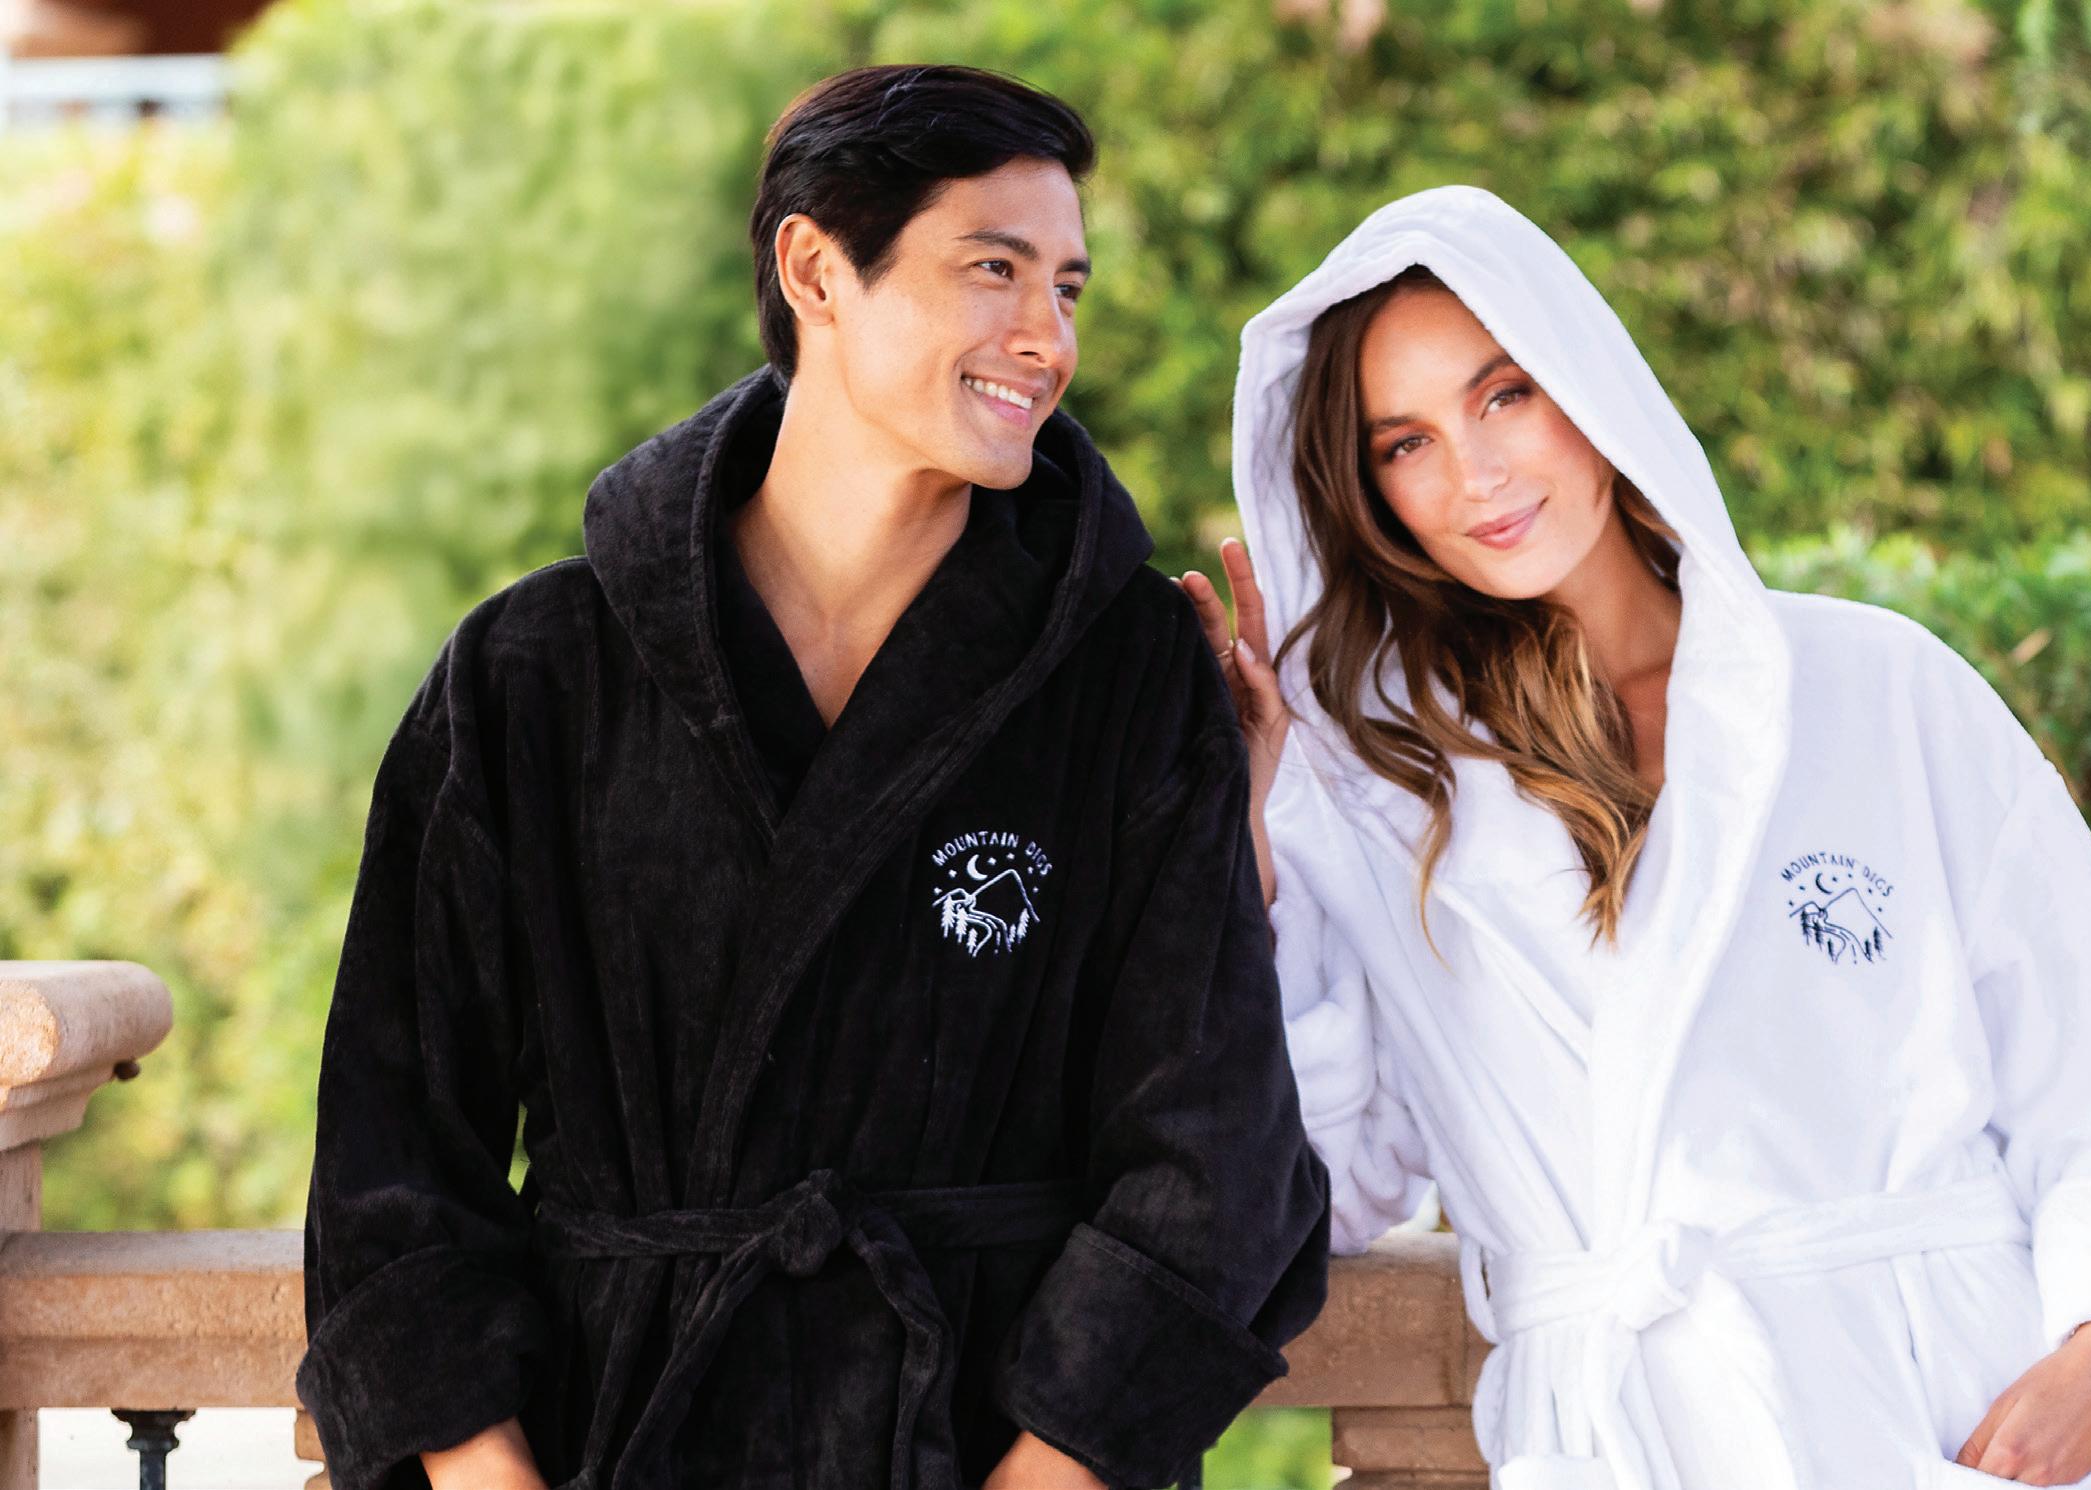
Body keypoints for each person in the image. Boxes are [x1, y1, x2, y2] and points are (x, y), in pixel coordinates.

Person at [298, 64, 1330, 1490]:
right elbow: (394, 1154)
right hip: (617, 1440)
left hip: (988, 1449)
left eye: (1068, 288)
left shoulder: (1128, 675)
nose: (1047, 338)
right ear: (815, 270)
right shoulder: (532, 674)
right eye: (994, 269)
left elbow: (1213, 1158)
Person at [1185, 184, 2091, 1489]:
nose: (1475, 473)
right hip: (1619, 1429)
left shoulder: (1874, 686)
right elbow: (1326, 1187)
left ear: (1591, 385)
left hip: (1948, 1412)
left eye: (1505, 394)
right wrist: (1241, 840)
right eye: (1406, 442)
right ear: (1368, 492)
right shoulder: (1373, 794)